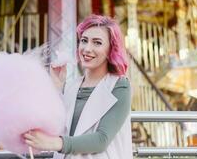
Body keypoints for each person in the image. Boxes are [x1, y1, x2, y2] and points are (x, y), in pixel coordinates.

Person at [24, 15, 132, 159]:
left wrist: (55, 143)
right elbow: (56, 126)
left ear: (111, 49)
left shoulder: (119, 86)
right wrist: (57, 86)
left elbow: (101, 140)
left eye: (97, 43)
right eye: (84, 41)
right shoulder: (71, 86)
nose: (87, 49)